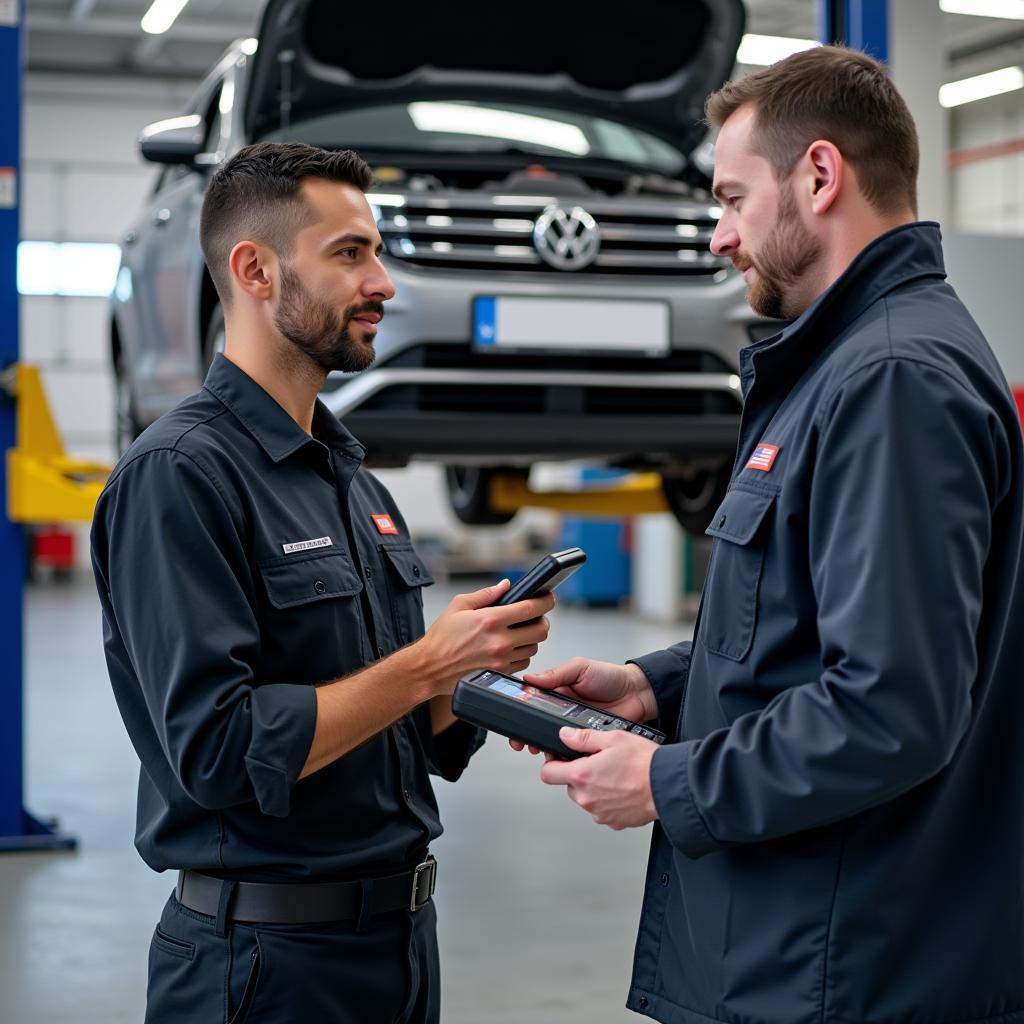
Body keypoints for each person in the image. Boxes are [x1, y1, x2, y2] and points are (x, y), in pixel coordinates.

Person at [516, 46, 1024, 1024]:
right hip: (811, 955)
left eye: (731, 199)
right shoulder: (849, 367)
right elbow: (813, 621)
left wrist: (668, 779)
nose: (717, 237)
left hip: (847, 972)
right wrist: (658, 686)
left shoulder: (889, 379)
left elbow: (889, 709)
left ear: (820, 176)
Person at [91, 141, 554, 1024]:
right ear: (255, 271)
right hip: (263, 969)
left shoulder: (353, 481)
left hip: (398, 950)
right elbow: (220, 751)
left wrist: (463, 672)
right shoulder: (180, 477)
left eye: (376, 251)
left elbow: (392, 733)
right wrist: (424, 664)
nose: (382, 281)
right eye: (350, 254)